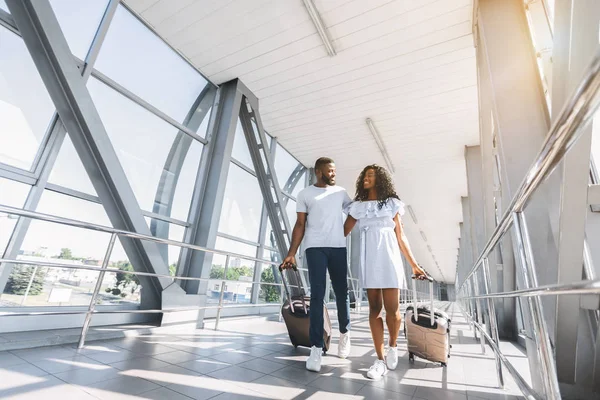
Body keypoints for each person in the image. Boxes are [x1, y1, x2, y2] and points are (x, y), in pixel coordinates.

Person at [344, 164, 427, 380]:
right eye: (364, 175)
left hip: (389, 258)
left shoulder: (392, 204)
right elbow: (342, 231)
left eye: (370, 175)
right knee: (374, 309)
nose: (365, 178)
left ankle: (393, 345)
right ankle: (379, 359)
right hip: (369, 259)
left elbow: (401, 237)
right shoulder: (358, 206)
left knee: (393, 311)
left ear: (379, 179)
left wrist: (415, 265)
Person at [282, 157, 353, 372]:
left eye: (334, 170)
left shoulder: (340, 192)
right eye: (330, 171)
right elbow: (300, 224)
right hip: (314, 248)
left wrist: (341, 234)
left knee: (342, 293)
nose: (334, 174)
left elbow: (355, 213)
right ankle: (315, 347)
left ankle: (344, 335)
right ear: (319, 171)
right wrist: (291, 253)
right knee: (317, 295)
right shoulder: (305, 194)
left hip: (338, 248)